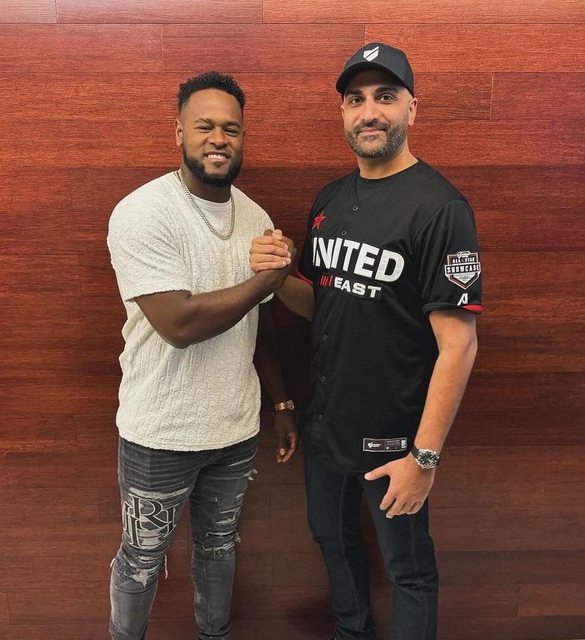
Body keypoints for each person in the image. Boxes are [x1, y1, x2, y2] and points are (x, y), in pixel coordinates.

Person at [250, 43, 482, 640]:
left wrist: (424, 459)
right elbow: (320, 303)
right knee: (331, 540)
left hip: (395, 439)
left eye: (385, 97)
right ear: (343, 114)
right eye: (355, 100)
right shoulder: (329, 199)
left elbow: (459, 345)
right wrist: (275, 277)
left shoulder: (441, 208)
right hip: (326, 425)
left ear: (412, 109)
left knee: (408, 570)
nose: (369, 112)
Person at [106, 71, 297, 640]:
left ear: (243, 138)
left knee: (219, 550)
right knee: (141, 561)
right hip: (160, 434)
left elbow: (258, 323)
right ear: (179, 132)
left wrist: (281, 402)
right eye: (204, 126)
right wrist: (265, 281)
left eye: (231, 129)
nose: (218, 139)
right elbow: (179, 324)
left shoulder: (255, 217)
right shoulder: (143, 212)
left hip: (234, 431)